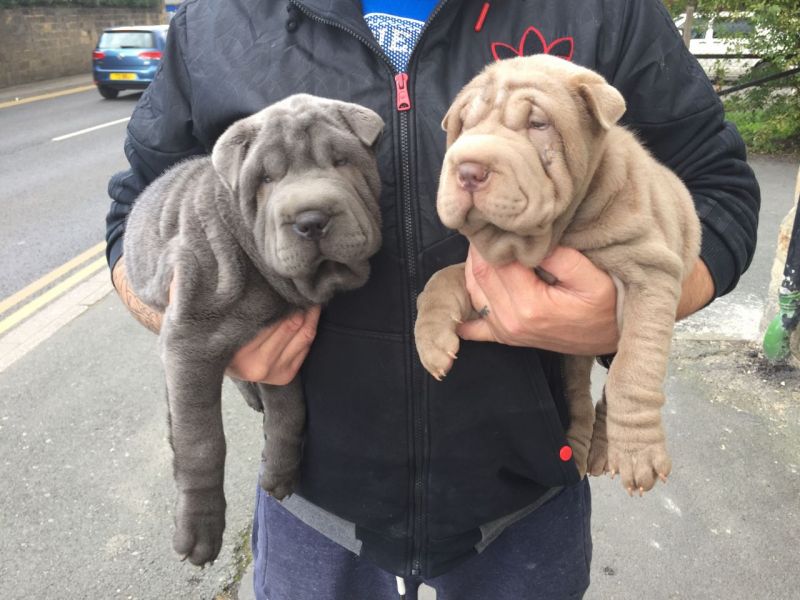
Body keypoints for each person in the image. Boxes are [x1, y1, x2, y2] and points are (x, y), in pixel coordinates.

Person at [105, 0, 759, 598]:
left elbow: (719, 186)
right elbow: (132, 216)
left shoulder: (602, 10)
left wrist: (631, 302)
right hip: (313, 502)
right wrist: (202, 332)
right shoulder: (217, 22)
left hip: (524, 506)